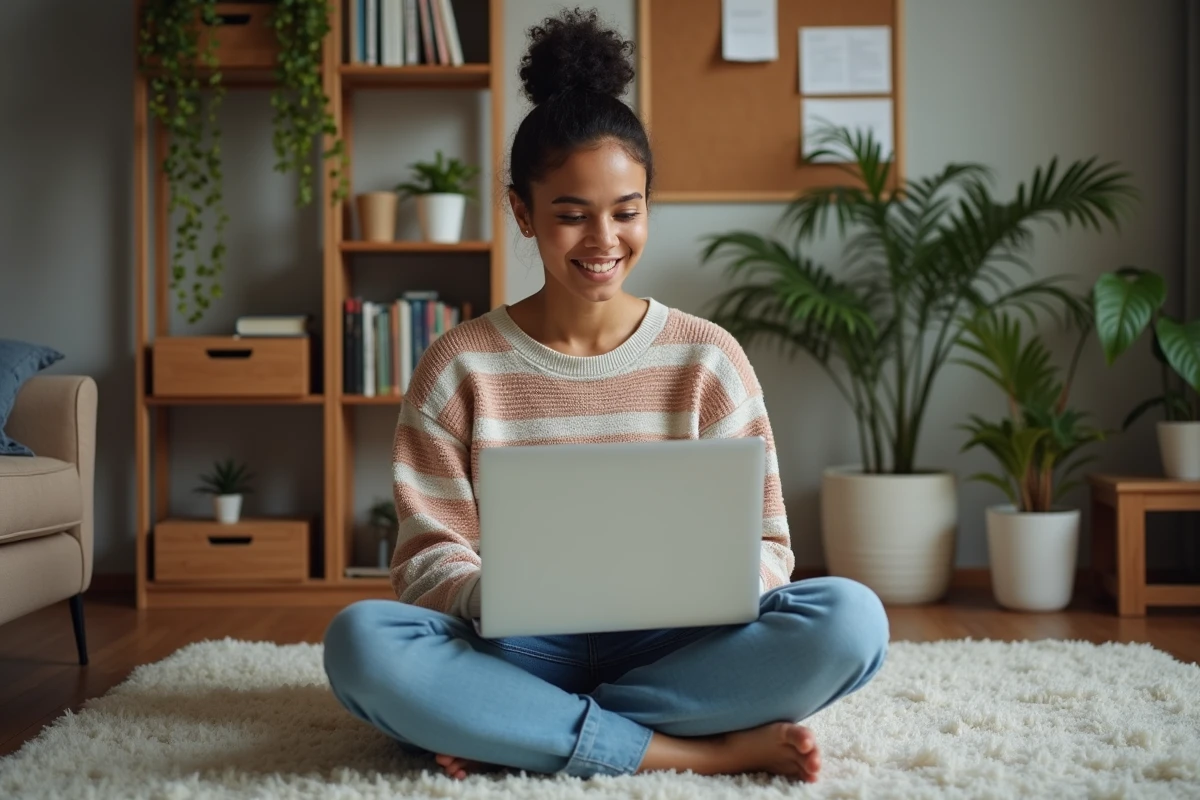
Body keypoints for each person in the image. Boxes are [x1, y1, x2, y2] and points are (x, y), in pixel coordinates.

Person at [323, 7, 889, 784]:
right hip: (516, 649)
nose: (604, 241)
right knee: (361, 643)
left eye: (627, 212)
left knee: (852, 621)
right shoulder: (459, 365)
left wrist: (718, 586)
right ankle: (692, 750)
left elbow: (770, 550)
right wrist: (507, 593)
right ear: (523, 212)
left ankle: (515, 728)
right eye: (571, 216)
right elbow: (427, 560)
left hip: (677, 645)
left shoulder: (707, 357)